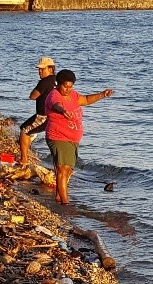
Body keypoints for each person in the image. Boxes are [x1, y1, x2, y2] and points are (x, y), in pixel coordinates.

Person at [43, 68, 114, 204]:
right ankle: (65, 203)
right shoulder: (54, 95)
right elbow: (56, 105)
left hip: (71, 139)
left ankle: (59, 197)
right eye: (65, 86)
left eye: (70, 87)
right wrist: (63, 111)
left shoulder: (73, 95)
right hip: (59, 136)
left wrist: (102, 94)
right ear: (58, 84)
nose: (68, 89)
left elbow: (86, 99)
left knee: (64, 169)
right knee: (63, 169)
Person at [18, 57, 58, 165]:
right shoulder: (58, 80)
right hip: (56, 116)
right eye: (39, 69)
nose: (40, 71)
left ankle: (24, 160)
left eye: (42, 69)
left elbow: (32, 96)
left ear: (50, 69)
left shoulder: (45, 82)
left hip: (43, 115)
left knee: (24, 131)